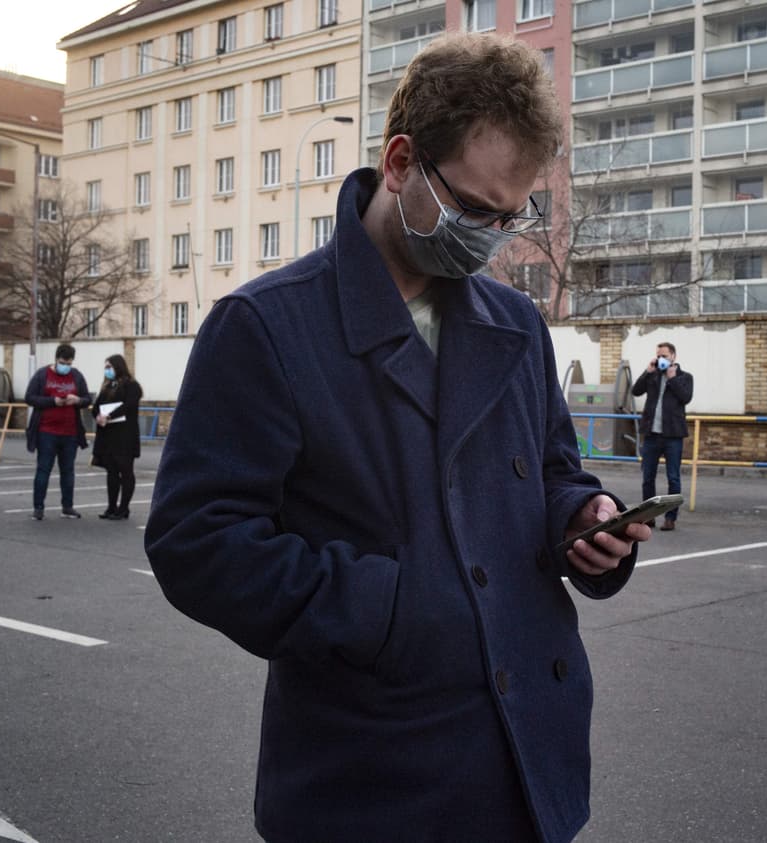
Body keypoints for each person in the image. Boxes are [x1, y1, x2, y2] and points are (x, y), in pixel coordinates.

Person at [145, 33, 650, 843]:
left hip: (532, 754)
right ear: (400, 161)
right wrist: (386, 609)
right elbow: (197, 543)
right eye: (473, 209)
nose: (490, 236)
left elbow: (554, 469)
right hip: (372, 775)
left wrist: (582, 518)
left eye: (510, 217)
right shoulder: (266, 326)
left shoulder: (515, 323)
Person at [25, 344, 92, 520]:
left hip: (70, 433)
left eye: (69, 363)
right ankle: (38, 508)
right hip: (46, 431)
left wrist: (77, 400)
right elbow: (29, 397)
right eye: (63, 363)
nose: (65, 367)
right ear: (56, 359)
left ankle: (67, 507)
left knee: (68, 471)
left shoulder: (76, 376)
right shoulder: (42, 374)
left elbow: (87, 399)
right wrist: (52, 401)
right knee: (43, 469)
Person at [631, 342, 693, 531]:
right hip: (652, 435)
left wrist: (672, 379)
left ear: (673, 356)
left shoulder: (685, 377)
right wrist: (647, 371)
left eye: (664, 355)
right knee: (647, 477)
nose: (661, 359)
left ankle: (670, 518)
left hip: (673, 436)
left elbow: (686, 397)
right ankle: (648, 516)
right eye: (658, 356)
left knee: (673, 478)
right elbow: (635, 391)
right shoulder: (653, 375)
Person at [91, 354, 142, 521]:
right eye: (105, 367)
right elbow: (96, 406)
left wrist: (110, 416)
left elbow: (129, 405)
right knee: (111, 472)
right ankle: (111, 506)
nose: (107, 371)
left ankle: (123, 507)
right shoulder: (107, 387)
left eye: (109, 367)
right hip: (108, 436)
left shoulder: (132, 386)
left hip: (125, 436)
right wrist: (98, 416)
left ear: (118, 367)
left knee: (126, 471)